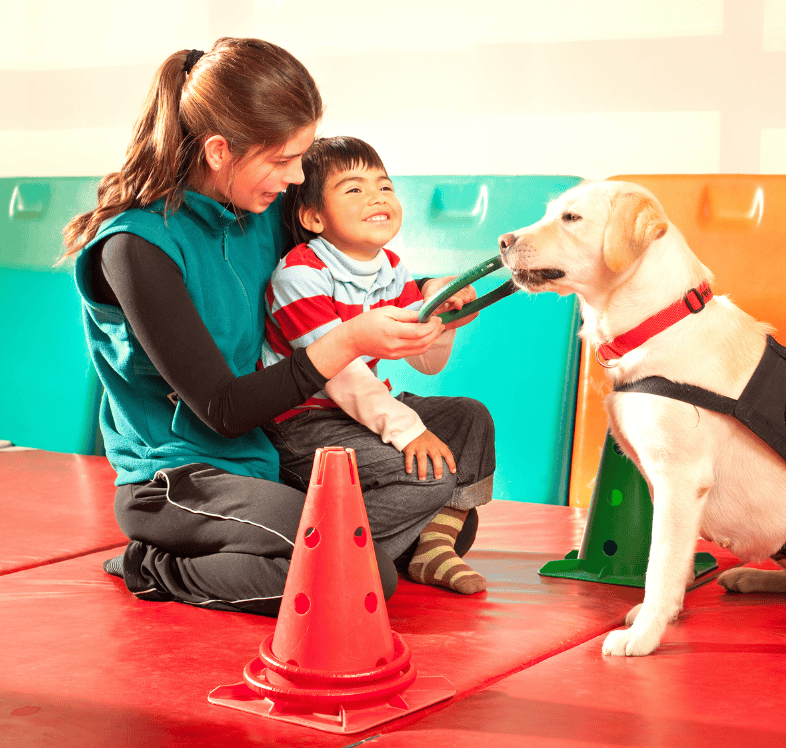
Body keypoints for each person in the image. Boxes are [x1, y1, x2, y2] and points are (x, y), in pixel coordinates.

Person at [61, 38, 480, 615]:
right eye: (283, 160)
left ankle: (354, 544)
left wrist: (435, 290)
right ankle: (155, 564)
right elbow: (224, 409)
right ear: (217, 151)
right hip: (182, 479)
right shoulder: (136, 248)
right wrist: (349, 342)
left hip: (271, 459)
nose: (297, 176)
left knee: (456, 468)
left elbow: (347, 256)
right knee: (359, 580)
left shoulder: (258, 211)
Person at [261, 136, 495, 595]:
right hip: (305, 423)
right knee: (429, 475)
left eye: (384, 186)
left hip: (361, 409)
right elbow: (339, 376)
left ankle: (433, 547)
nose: (376, 197)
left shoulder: (391, 267)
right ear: (313, 217)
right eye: (353, 189)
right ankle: (331, 556)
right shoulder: (300, 274)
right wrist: (409, 431)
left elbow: (425, 360)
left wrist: (444, 317)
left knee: (470, 418)